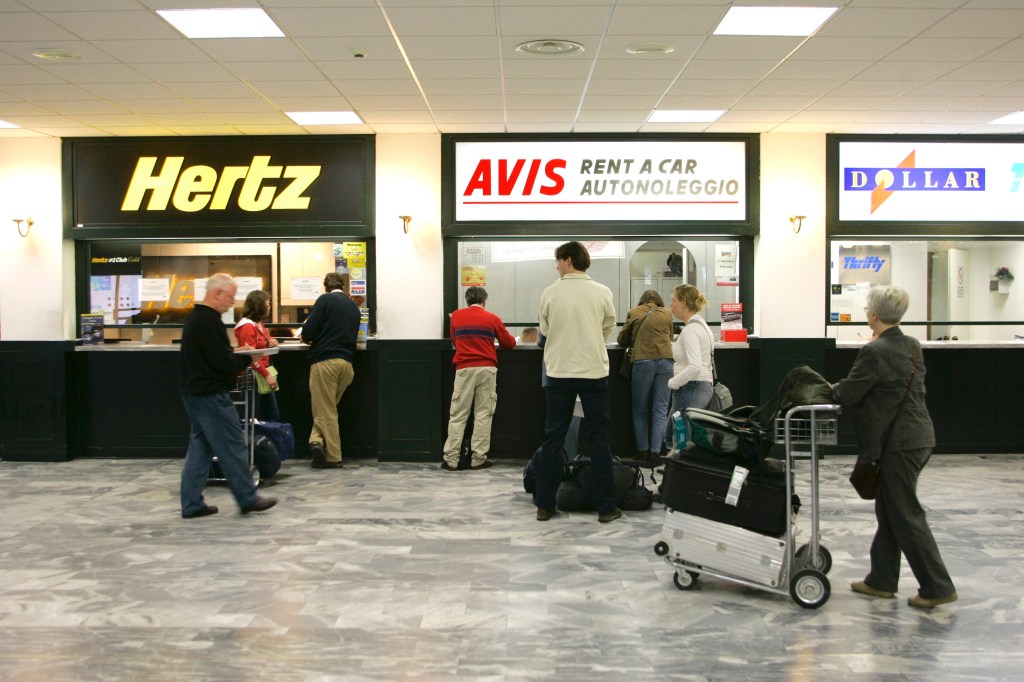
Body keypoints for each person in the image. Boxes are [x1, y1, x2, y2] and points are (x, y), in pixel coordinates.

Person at [832, 285, 957, 609]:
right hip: (919, 435)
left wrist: (831, 388)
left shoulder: (875, 351)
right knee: (890, 510)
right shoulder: (912, 345)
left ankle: (937, 586)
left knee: (905, 513)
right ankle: (882, 580)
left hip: (897, 442)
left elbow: (850, 393)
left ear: (873, 314)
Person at [534, 241, 620, 523]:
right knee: (599, 439)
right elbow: (608, 326)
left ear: (568, 260)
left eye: (558, 261)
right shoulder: (602, 291)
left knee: (553, 438)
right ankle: (606, 508)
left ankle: (545, 505)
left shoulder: (550, 292)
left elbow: (545, 329)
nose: (556, 266)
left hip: (559, 371)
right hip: (594, 370)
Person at [179, 273, 277, 518]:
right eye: (231, 296)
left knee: (200, 448)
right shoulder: (208, 321)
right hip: (211, 395)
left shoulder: (196, 319)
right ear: (218, 293)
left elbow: (213, 354)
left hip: (194, 393)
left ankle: (192, 503)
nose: (232, 302)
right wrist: (247, 356)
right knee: (233, 444)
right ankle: (247, 498)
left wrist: (236, 351)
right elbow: (221, 362)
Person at [441, 286, 516, 471]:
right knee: (483, 414)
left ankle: (451, 459)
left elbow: (454, 340)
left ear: (467, 301)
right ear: (484, 301)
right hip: (487, 369)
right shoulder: (492, 318)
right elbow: (509, 343)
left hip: (464, 369)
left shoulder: (457, 316)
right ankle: (478, 459)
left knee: (458, 415)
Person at [301, 272, 361, 469]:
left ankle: (333, 457)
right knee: (326, 408)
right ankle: (316, 441)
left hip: (325, 362)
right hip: (347, 365)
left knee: (325, 410)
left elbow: (308, 333)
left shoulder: (324, 300)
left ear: (325, 286)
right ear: (342, 286)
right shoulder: (354, 306)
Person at [617, 290, 674, 465]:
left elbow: (622, 340)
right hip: (666, 362)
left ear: (642, 301)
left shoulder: (634, 312)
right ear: (659, 301)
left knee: (639, 409)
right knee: (661, 409)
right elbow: (670, 337)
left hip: (643, 362)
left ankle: (642, 451)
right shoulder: (667, 313)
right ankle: (656, 453)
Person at [665, 284, 714, 450]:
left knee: (680, 439)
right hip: (697, 387)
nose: (671, 305)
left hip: (690, 388)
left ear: (683, 303)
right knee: (674, 435)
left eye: (674, 300)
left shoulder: (691, 330)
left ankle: (679, 473)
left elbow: (695, 365)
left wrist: (674, 382)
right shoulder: (702, 327)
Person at [234, 289, 280, 422]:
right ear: (259, 305)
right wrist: (267, 375)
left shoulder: (259, 323)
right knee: (253, 416)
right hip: (253, 376)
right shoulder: (247, 326)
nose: (269, 307)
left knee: (270, 414)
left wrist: (271, 340)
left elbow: (264, 339)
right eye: (267, 303)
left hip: (261, 374)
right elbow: (251, 356)